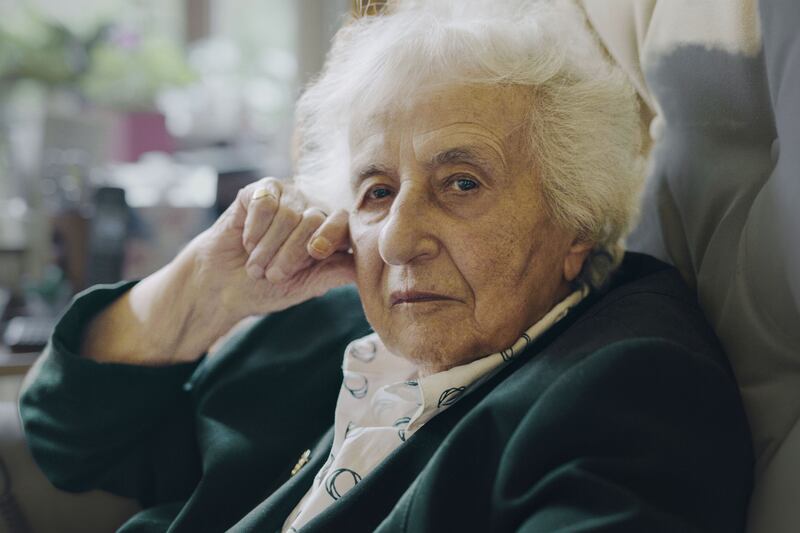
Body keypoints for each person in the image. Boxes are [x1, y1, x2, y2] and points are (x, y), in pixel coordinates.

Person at [20, 1, 753, 531]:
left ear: (577, 219)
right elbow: (65, 441)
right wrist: (199, 293)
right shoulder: (324, 321)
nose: (399, 238)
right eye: (376, 190)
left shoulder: (630, 385)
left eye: (460, 182)